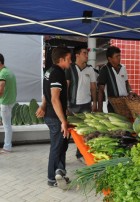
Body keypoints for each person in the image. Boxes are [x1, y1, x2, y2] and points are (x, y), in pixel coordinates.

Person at [36, 46, 71, 189]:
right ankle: (51, 178)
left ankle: (60, 173)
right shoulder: (57, 73)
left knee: (62, 145)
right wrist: (63, 121)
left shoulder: (49, 71)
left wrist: (43, 105)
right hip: (55, 117)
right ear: (61, 59)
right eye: (68, 59)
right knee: (57, 147)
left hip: (52, 114)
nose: (70, 62)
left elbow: (47, 94)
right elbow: (55, 99)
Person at [65, 45, 97, 163]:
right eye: (84, 53)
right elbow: (66, 87)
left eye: (87, 53)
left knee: (85, 131)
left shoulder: (90, 69)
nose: (87, 55)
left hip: (86, 105)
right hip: (72, 104)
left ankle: (80, 154)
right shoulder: (70, 68)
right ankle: (62, 154)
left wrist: (94, 103)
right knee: (68, 131)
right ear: (77, 55)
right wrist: (66, 105)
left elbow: (93, 87)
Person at [97, 46, 135, 112]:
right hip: (112, 105)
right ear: (109, 59)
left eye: (119, 56)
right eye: (117, 56)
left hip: (125, 103)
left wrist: (130, 92)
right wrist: (100, 108)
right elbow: (101, 90)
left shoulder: (123, 67)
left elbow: (126, 83)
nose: (119, 58)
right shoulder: (105, 69)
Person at [0, 53, 17, 154]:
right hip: (10, 101)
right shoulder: (9, 71)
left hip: (5, 103)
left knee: (7, 125)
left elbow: (1, 90)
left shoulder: (2, 74)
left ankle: (7, 147)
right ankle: (7, 146)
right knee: (7, 124)